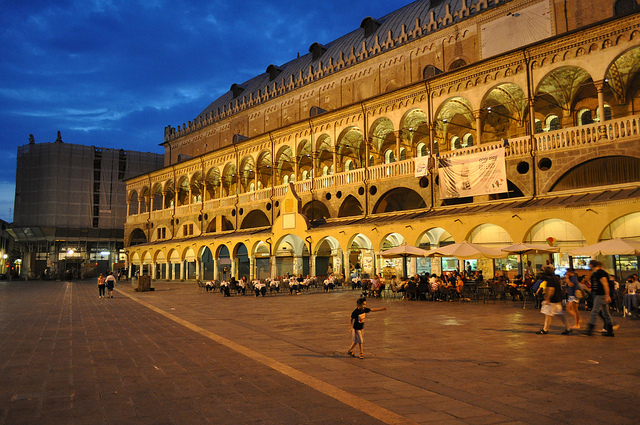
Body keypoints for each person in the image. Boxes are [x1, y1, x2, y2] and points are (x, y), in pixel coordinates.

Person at [536, 268, 572, 335]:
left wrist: (548, 298)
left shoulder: (550, 279)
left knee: (548, 315)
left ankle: (545, 329)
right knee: (560, 315)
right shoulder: (556, 278)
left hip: (552, 300)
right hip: (557, 299)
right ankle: (568, 328)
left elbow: (551, 289)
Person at [585, 260, 615, 337]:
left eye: (589, 264)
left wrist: (607, 295)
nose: (589, 266)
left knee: (595, 311)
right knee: (605, 312)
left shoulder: (600, 273)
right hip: (598, 294)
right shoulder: (595, 273)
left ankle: (590, 329)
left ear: (592, 265)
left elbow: (605, 284)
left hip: (601, 295)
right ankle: (610, 330)